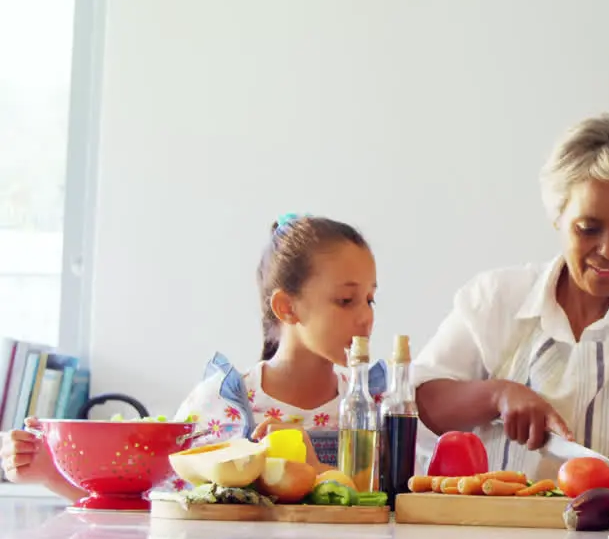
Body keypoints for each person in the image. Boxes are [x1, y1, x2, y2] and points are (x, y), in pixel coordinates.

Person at [412, 114, 609, 492]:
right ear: (557, 216)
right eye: (589, 229)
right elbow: (417, 404)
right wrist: (496, 394)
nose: (608, 249)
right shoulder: (495, 299)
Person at [0, 214, 381, 500]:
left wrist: (315, 471)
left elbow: (397, 509)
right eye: (346, 300)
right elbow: (158, 513)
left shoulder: (378, 408)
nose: (366, 317)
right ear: (286, 307)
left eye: (370, 298)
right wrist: (50, 473)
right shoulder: (219, 403)